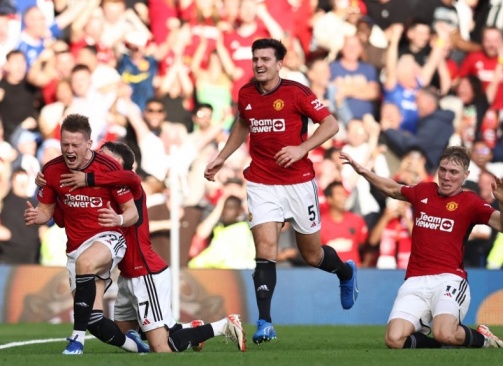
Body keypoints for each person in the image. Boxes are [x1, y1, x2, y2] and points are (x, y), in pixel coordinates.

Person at [204, 38, 358, 345]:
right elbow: (242, 125)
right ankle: (265, 322)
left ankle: (345, 273)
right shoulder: (246, 93)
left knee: (312, 255)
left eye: (265, 59)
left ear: (279, 64)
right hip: (262, 183)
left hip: (299, 183)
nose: (259, 64)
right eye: (255, 59)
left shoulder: (296, 92)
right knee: (265, 250)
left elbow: (330, 125)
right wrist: (222, 156)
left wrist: (302, 148)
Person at [48, 141, 247, 353]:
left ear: (118, 165)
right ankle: (189, 330)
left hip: (145, 271)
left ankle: (222, 326)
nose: (98, 160)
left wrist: (88, 177)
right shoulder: (103, 191)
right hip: (127, 275)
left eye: (104, 157)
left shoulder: (131, 186)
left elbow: (130, 176)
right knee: (126, 332)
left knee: (160, 347)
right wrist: (49, 187)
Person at [340, 146, 503, 350]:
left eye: (453, 172)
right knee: (394, 340)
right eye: (443, 170)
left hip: (449, 279)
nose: (446, 177)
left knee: (444, 332)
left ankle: (483, 338)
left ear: (465, 175)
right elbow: (393, 189)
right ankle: (440, 347)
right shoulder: (424, 190)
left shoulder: (471, 202)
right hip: (415, 280)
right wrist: (363, 172)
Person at [24, 114, 141, 355]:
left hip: (109, 237)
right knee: (92, 318)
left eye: (75, 145)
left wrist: (118, 219)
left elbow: (132, 213)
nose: (69, 150)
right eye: (64, 144)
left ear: (88, 144)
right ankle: (136, 346)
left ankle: (76, 340)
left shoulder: (107, 168)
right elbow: (46, 210)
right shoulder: (51, 170)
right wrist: (38, 216)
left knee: (86, 262)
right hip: (76, 245)